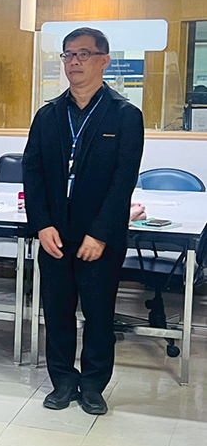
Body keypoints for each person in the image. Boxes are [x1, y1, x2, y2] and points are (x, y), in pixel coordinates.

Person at [23, 27, 144, 416]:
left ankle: (93, 385)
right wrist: (42, 224)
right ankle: (62, 381)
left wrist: (101, 233)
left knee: (98, 315)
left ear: (104, 61)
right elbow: (32, 173)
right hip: (54, 234)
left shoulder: (125, 115)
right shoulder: (48, 115)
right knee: (57, 312)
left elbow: (123, 181)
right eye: (68, 55)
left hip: (99, 237)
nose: (74, 62)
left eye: (83, 54)